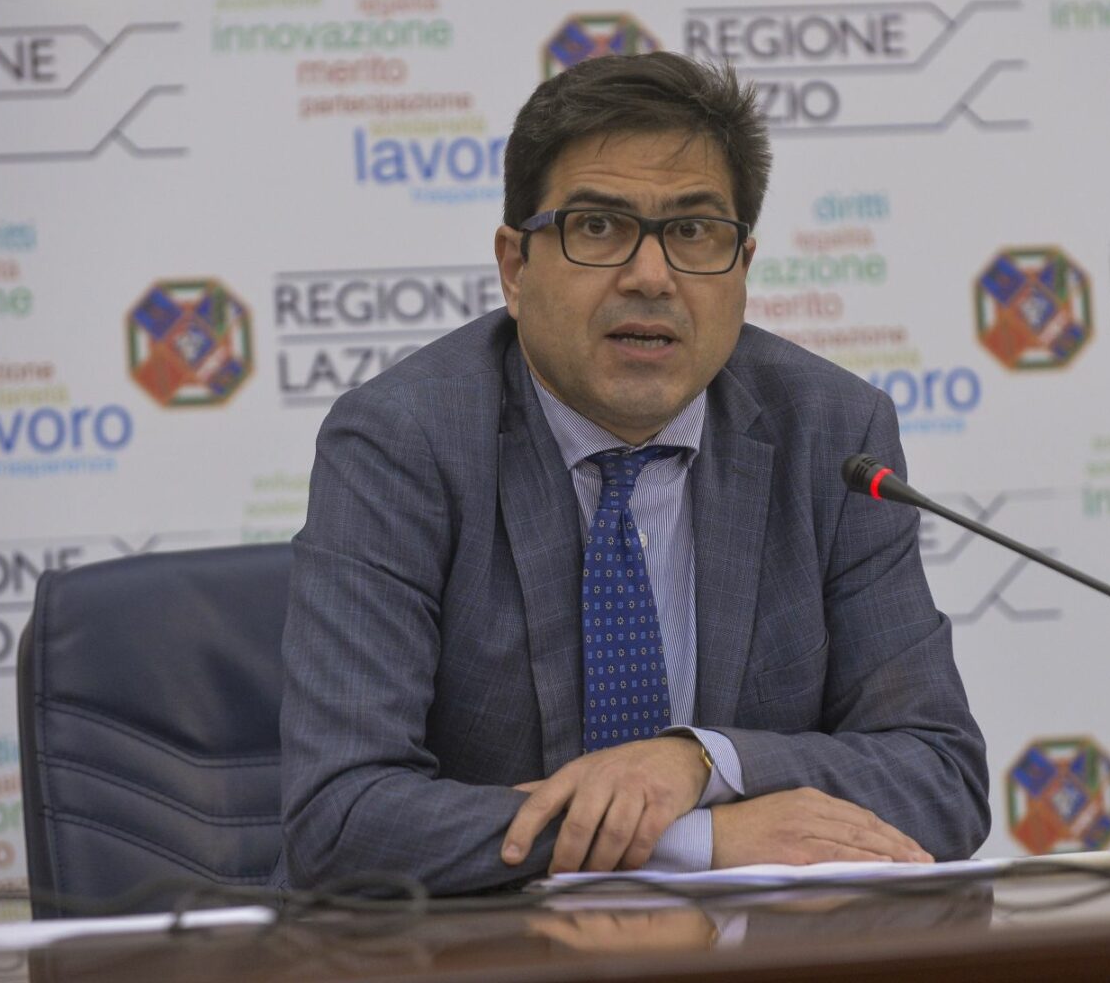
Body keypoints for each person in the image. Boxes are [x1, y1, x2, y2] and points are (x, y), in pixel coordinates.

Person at [275, 52, 988, 896]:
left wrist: (701, 763)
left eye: (692, 232)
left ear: (742, 265)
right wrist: (693, 840)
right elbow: (342, 820)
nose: (650, 277)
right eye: (598, 227)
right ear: (514, 267)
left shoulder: (829, 435)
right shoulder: (404, 442)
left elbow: (940, 778)